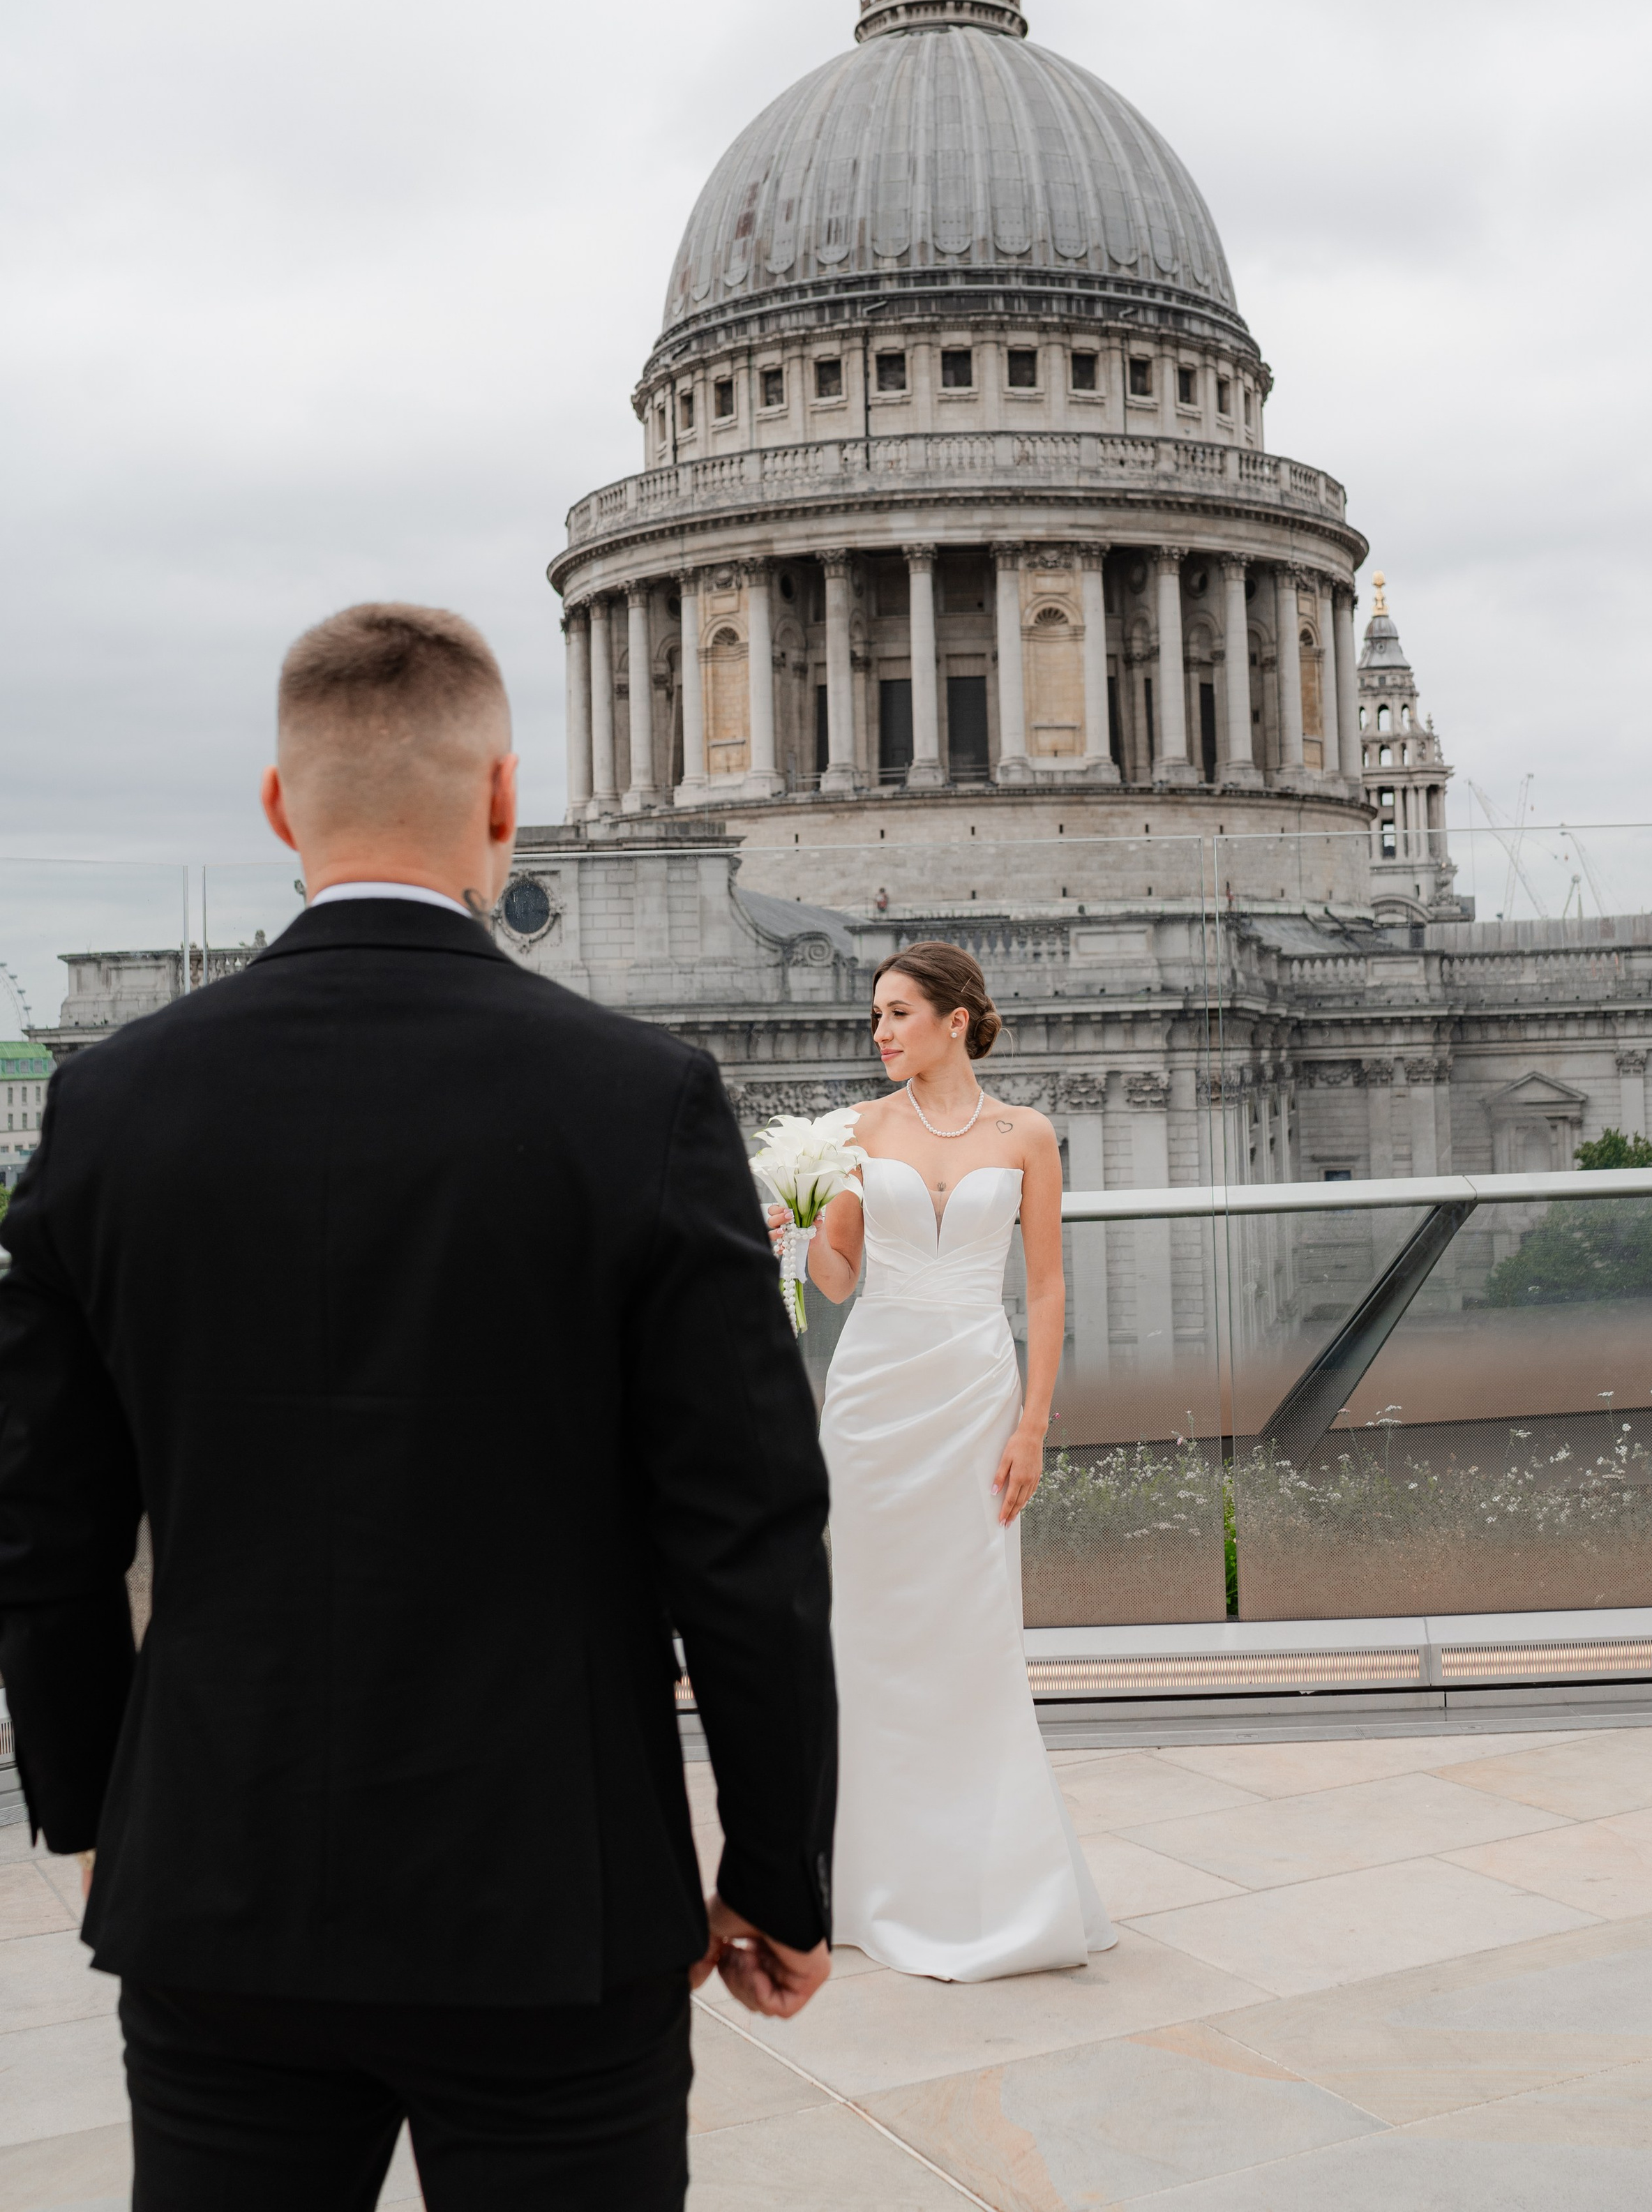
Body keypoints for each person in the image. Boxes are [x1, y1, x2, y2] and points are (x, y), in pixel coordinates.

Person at [0, 601, 836, 2211]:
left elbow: (39, 1520)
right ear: (506, 799)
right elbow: (746, 1541)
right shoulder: (638, 1100)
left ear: (276, 807)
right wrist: (776, 1867)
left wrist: (97, 1811)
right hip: (550, 1894)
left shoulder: (112, 1103)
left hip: (215, 1878)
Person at [772, 940, 1115, 1982]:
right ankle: (869, 1888)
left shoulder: (1028, 1135)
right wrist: (789, 1228)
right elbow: (837, 1280)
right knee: (868, 1633)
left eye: (897, 1014)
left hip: (975, 1393)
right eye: (874, 1016)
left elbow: (1046, 1289)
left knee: (971, 1632)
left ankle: (993, 1885)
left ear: (956, 1020)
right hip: (874, 1398)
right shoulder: (856, 1132)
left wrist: (1033, 1426)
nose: (879, 1033)